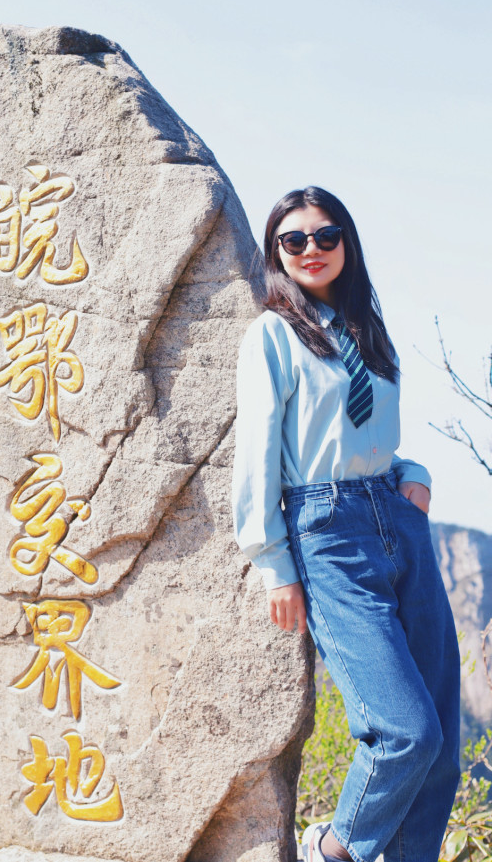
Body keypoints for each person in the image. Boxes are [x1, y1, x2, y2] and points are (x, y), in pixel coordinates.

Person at [231, 186, 460, 862]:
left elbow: (369, 434)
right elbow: (258, 453)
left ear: (347, 243)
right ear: (276, 252)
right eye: (293, 239)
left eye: (325, 235)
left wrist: (414, 470)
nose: (312, 249)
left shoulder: (368, 331)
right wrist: (274, 564)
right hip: (328, 530)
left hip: (398, 520)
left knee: (442, 747)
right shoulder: (273, 335)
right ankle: (334, 850)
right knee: (404, 732)